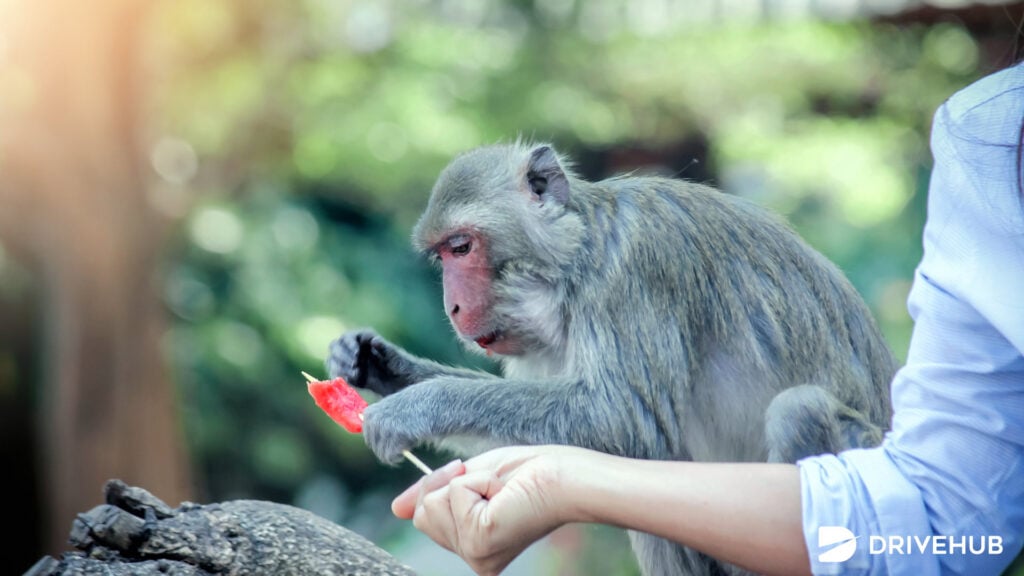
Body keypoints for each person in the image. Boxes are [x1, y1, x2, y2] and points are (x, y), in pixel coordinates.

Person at [390, 61, 1024, 576]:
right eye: (441, 259)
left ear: (545, 191)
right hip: (758, 503)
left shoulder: (638, 244)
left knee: (784, 415)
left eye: (465, 249)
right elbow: (558, 438)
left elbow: (617, 426)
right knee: (651, 487)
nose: (454, 297)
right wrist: (407, 382)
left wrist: (441, 400)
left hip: (832, 461)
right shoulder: (559, 300)